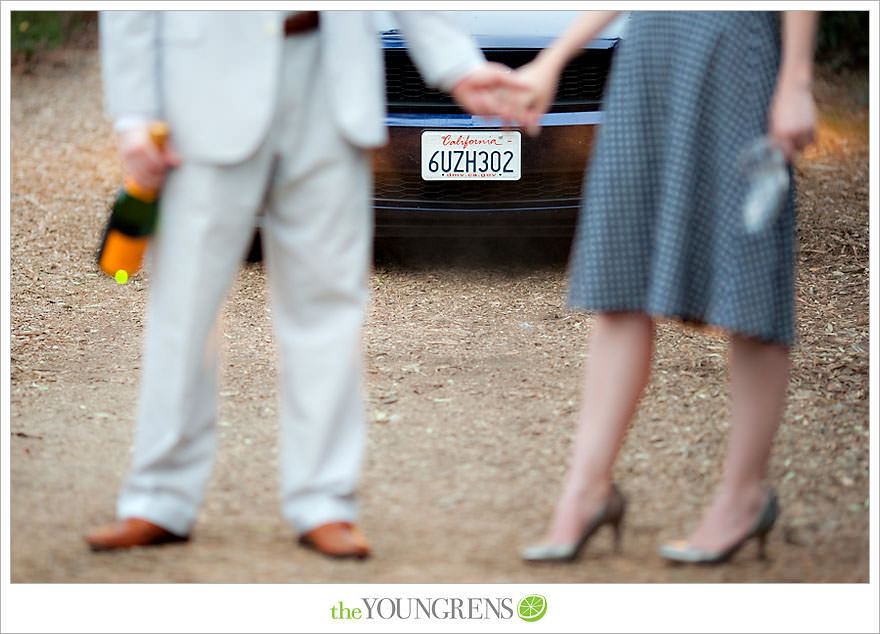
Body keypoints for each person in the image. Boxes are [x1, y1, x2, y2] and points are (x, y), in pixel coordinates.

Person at [85, 10, 525, 558]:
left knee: (330, 305)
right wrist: (133, 114)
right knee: (183, 303)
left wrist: (456, 63)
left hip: (331, 76)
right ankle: (158, 498)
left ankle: (325, 501)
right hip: (200, 87)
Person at [514, 11, 817, 563]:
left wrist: (796, 78)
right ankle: (588, 493)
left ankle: (744, 497)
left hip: (735, 52)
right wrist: (553, 59)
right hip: (649, 52)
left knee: (747, 272)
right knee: (618, 274)